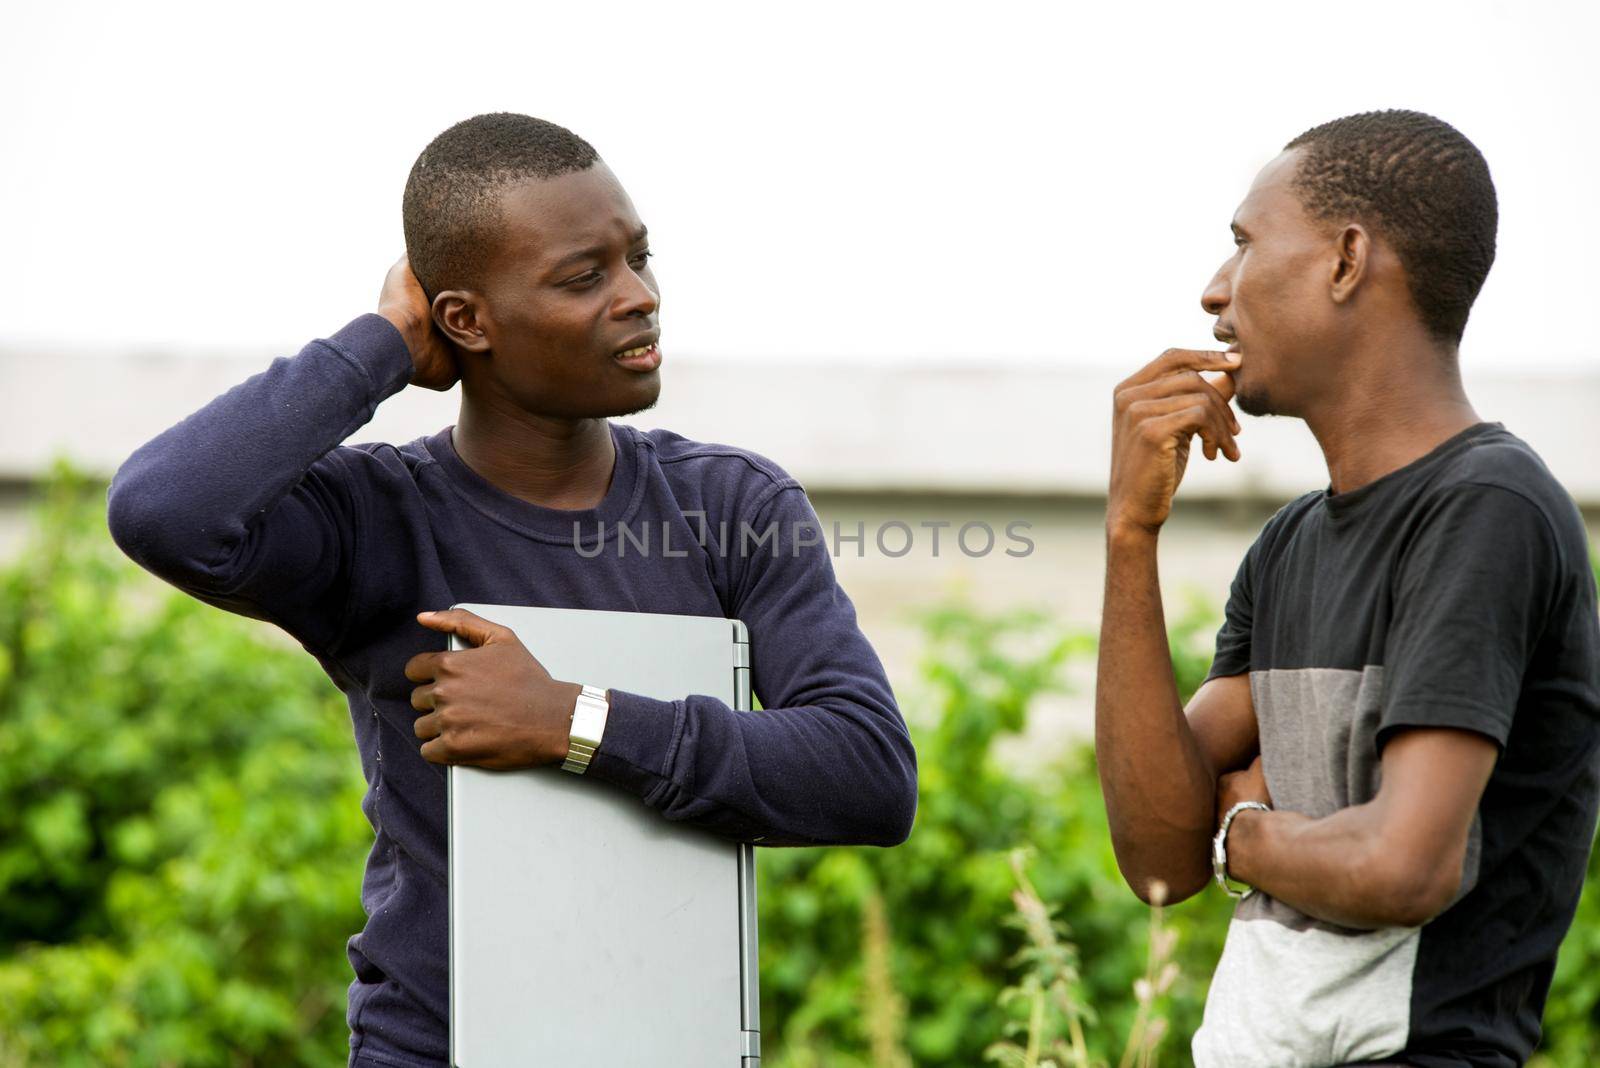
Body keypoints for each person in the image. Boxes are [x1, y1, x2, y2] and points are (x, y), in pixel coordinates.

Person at [106, 112, 918, 1068]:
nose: (639, 298)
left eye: (639, 259)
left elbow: (868, 774)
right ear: (466, 320)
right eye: (585, 277)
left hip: (674, 1043)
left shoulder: (729, 505)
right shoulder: (378, 517)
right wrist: (384, 342)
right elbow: (164, 509)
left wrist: (576, 722)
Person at [1094, 109, 1600, 1067]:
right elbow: (1158, 856)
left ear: (1345, 260)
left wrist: (1238, 831)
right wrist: (1130, 534)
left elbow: (1402, 864)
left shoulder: (1485, 508)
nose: (1213, 291)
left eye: (1244, 244)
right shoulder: (1290, 546)